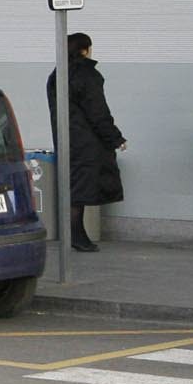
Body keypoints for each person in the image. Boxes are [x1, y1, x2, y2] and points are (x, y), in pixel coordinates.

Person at [46, 33, 126, 252]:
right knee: (80, 190)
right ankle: (77, 236)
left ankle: (76, 234)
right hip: (87, 143)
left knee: (74, 188)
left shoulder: (57, 74)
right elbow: (98, 111)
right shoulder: (87, 75)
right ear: (85, 50)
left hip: (66, 140)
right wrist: (115, 137)